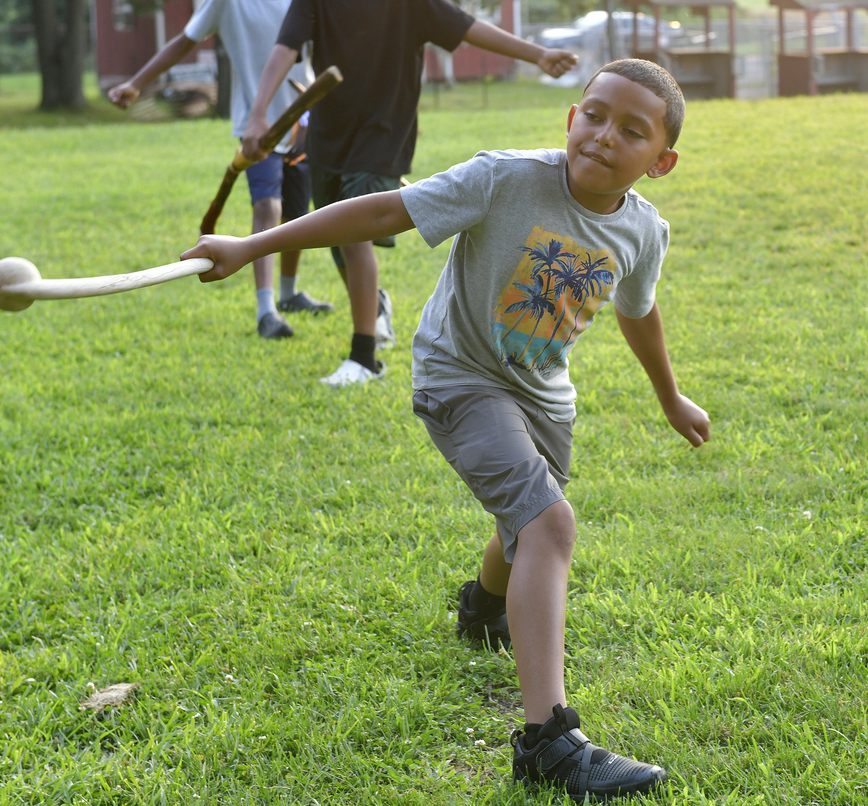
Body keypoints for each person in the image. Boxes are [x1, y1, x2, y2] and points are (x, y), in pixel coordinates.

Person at [183, 59, 710, 800]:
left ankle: (483, 605)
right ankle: (548, 743)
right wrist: (249, 246)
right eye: (593, 114)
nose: (602, 136)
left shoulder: (643, 231)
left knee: (521, 527)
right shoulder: (504, 178)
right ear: (570, 118)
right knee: (549, 527)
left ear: (661, 161)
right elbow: (381, 212)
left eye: (631, 130)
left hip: (544, 397)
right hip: (460, 377)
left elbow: (637, 312)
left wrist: (671, 398)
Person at [241, 0, 578, 386]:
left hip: (384, 130)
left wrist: (537, 53)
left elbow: (465, 27)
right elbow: (285, 48)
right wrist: (258, 112)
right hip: (329, 131)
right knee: (334, 232)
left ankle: (364, 357)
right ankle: (374, 303)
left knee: (354, 234)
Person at [108, 0, 332, 340]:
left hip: (303, 120)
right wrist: (137, 83)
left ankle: (289, 292)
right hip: (257, 125)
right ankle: (266, 310)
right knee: (268, 207)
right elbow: (184, 41)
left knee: (298, 212)